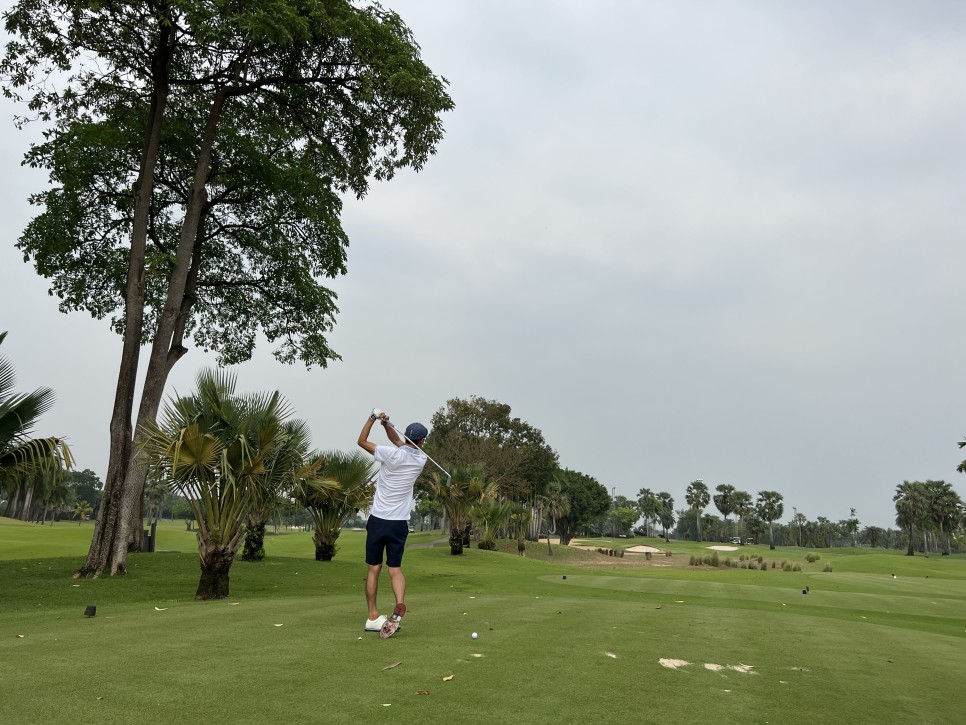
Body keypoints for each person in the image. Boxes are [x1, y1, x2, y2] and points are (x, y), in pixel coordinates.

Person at [357, 410, 428, 638]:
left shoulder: (389, 454)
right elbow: (398, 442)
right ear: (421, 441)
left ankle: (372, 616)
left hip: (378, 520)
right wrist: (387, 425)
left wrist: (373, 418)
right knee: (394, 569)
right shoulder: (421, 459)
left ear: (406, 436)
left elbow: (361, 442)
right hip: (399, 523)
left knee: (374, 568)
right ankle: (399, 603)